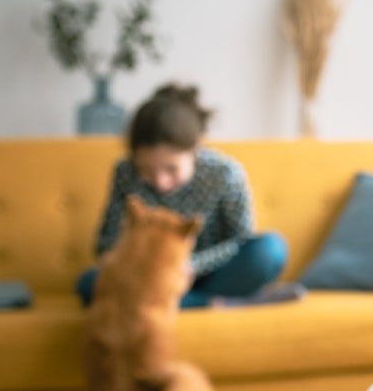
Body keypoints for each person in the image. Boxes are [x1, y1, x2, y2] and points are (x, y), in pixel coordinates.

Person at [77, 83, 304, 309]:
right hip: (148, 279)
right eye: (146, 170)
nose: (160, 182)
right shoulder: (125, 173)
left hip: (213, 276)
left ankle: (181, 301)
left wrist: (190, 265)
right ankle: (221, 304)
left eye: (171, 169)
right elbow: (106, 244)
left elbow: (241, 240)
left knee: (269, 250)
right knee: (89, 283)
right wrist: (149, 268)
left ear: (195, 150)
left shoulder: (225, 173)